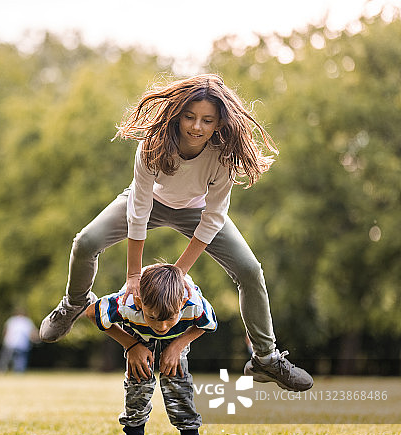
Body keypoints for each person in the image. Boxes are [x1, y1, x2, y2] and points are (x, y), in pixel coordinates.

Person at [40, 73, 313, 392]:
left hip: (196, 211)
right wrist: (133, 276)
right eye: (190, 117)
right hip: (150, 202)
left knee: (250, 270)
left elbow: (212, 218)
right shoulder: (152, 146)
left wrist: (179, 273)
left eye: (207, 120)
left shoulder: (223, 155)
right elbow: (138, 211)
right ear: (177, 115)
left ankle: (265, 358)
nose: (197, 127)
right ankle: (74, 303)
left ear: (219, 123)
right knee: (86, 242)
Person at [86, 263, 216, 435]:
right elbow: (92, 313)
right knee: (139, 378)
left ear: (182, 303)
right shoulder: (126, 303)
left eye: (168, 318)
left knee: (177, 379)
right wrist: (131, 345)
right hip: (138, 329)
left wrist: (177, 346)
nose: (162, 327)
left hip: (178, 334)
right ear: (139, 303)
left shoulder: (193, 303)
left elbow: (209, 323)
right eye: (154, 317)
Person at [0, 308, 38, 373]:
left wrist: (4, 340)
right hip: (23, 345)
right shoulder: (27, 321)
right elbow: (33, 333)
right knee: (20, 361)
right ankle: (18, 373)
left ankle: (0, 370)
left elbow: (5, 331)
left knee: (5, 359)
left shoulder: (11, 320)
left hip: (10, 343)